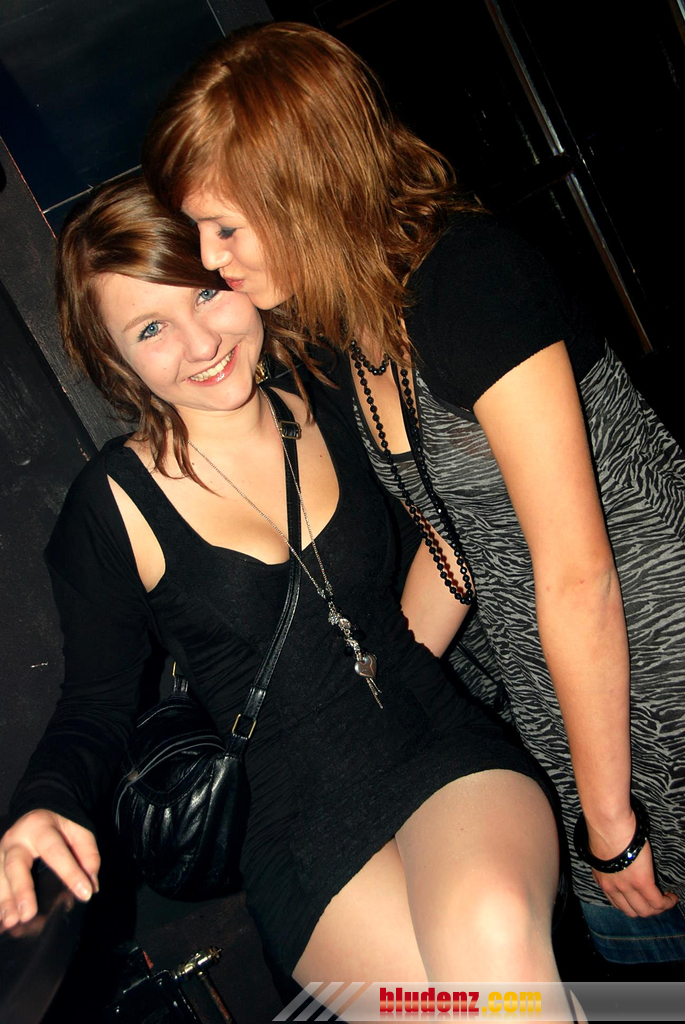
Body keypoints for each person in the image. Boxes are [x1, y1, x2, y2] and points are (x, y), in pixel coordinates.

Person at [141, 21, 685, 964]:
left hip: (657, 662)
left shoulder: (468, 279)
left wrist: (610, 822)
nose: (212, 257)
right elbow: (458, 548)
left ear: (306, 189)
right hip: (574, 703)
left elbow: (576, 572)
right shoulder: (357, 329)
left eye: (225, 226)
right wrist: (356, 703)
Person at [0, 179, 566, 998]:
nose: (201, 343)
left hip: (434, 743)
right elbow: (93, 703)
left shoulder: (333, 391)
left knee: (492, 929)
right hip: (291, 823)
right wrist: (43, 803)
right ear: (112, 359)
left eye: (204, 292)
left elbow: (445, 540)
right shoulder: (111, 508)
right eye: (151, 328)